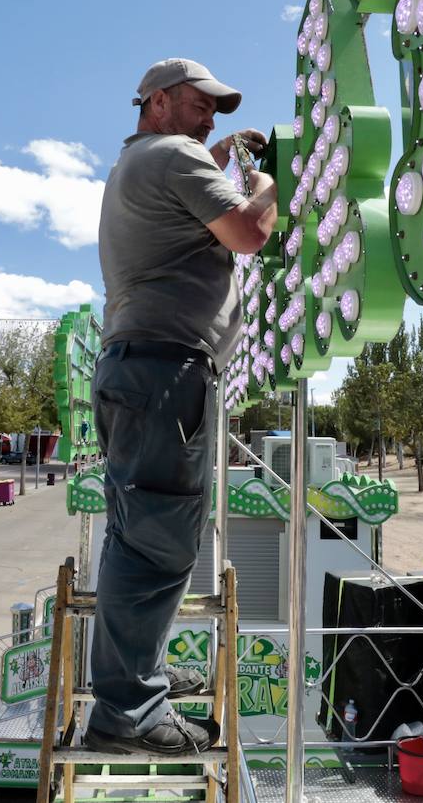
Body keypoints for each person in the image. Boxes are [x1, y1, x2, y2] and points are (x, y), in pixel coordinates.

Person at [85, 58, 278, 755]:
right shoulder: (171, 158)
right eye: (202, 107)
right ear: (159, 103)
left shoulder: (145, 161)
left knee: (138, 535)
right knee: (158, 545)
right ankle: (127, 716)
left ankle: (133, 689)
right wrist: (263, 183)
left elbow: (185, 201)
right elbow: (251, 233)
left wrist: (217, 157)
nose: (212, 121)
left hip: (143, 369)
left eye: (219, 114)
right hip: (166, 373)